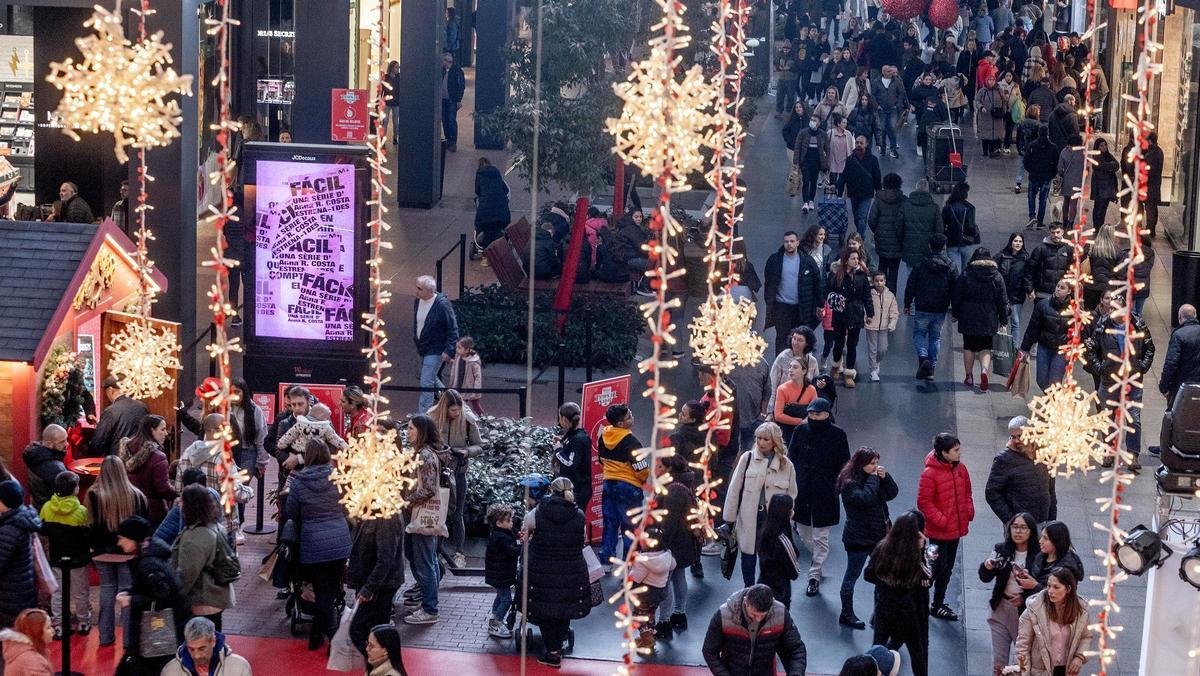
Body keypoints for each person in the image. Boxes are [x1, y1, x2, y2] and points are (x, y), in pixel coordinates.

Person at [525, 477, 592, 668]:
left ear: (551, 491)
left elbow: (526, 532)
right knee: (564, 608)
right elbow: (583, 540)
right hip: (571, 570)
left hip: (542, 570)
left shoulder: (536, 513)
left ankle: (553, 652)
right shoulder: (579, 515)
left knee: (545, 610)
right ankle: (557, 646)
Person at [1086, 290, 1155, 470]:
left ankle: (1132, 455)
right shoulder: (1101, 326)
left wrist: (1142, 367)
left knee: (1133, 418)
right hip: (1109, 380)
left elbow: (1149, 348)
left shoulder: (1138, 324)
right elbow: (1091, 349)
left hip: (1132, 379)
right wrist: (1100, 367)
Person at [724, 422, 798, 588]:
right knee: (748, 555)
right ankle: (748, 588)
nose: (761, 442)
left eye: (766, 439)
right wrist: (729, 518)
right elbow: (735, 488)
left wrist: (788, 514)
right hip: (749, 515)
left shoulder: (786, 465)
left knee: (769, 557)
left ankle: (764, 590)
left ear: (775, 441)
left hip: (772, 519)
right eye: (758, 438)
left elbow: (791, 493)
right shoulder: (747, 458)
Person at [788, 398, 850, 596]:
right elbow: (791, 457)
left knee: (821, 536)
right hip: (803, 489)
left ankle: (814, 575)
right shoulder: (800, 431)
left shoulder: (838, 435)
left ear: (826, 414)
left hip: (825, 490)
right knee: (804, 531)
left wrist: (838, 485)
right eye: (811, 414)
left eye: (817, 414)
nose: (814, 417)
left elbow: (845, 463)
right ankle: (818, 561)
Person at [115, 515, 188, 675]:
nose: (119, 543)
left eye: (122, 538)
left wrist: (131, 599)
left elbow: (163, 596)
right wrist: (130, 592)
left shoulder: (148, 564)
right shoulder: (150, 556)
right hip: (159, 631)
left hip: (155, 633)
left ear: (133, 539)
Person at [88, 456, 148, 645]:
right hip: (127, 553)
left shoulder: (93, 495)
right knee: (126, 594)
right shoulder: (137, 495)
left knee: (106, 592)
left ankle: (105, 637)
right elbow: (143, 525)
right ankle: (128, 641)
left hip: (102, 551)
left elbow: (90, 525)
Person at [864, 511, 932, 676]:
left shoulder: (882, 547)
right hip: (906, 610)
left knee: (877, 649)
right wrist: (922, 552)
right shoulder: (913, 555)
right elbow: (927, 578)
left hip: (884, 606)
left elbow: (868, 574)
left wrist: (883, 583)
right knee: (917, 651)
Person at [837, 447, 898, 629]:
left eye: (876, 463)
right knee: (852, 575)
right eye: (872, 463)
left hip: (878, 535)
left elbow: (892, 494)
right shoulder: (849, 483)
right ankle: (846, 613)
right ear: (861, 464)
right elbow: (865, 499)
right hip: (858, 537)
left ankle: (880, 613)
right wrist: (874, 479)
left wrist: (886, 478)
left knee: (882, 576)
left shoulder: (875, 479)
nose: (875, 466)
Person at [917, 433, 975, 621]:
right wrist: (942, 520)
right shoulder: (930, 474)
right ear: (944, 452)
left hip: (954, 530)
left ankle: (937, 604)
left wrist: (968, 510)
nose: (960, 453)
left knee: (947, 568)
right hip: (937, 533)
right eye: (956, 450)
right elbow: (924, 502)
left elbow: (967, 492)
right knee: (934, 567)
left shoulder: (961, 469)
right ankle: (917, 599)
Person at [701, 584, 808, 676]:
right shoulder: (723, 615)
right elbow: (709, 651)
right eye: (753, 615)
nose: (758, 619)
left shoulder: (781, 614)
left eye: (763, 615)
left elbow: (795, 648)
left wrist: (795, 673)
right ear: (745, 602)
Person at [980, 513, 1040, 676]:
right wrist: (987, 567)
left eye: (1023, 527)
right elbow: (984, 577)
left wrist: (1025, 597)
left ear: (1031, 531)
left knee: (1020, 663)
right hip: (1000, 609)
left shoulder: (1038, 556)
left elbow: (1042, 586)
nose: (1018, 531)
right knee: (999, 663)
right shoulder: (1001, 549)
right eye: (1014, 526)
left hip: (1024, 614)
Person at [427, 389, 481, 568]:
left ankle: (459, 553)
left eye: (459, 409)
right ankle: (438, 551)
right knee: (438, 512)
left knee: (457, 514)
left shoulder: (467, 419)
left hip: (458, 472)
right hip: (437, 472)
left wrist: (466, 452)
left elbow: (478, 446)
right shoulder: (432, 417)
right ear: (444, 408)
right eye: (453, 410)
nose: (456, 413)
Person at [402, 415, 446, 625]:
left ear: (421, 431)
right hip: (421, 514)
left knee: (424, 561)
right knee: (424, 559)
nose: (407, 432)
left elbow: (428, 489)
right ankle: (429, 602)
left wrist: (406, 501)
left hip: (421, 514)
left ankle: (430, 608)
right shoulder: (423, 453)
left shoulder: (425, 456)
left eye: (411, 429)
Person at [172, 485, 234, 632]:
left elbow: (187, 574)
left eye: (182, 501)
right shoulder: (216, 527)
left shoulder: (194, 537)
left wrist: (173, 595)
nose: (179, 504)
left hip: (202, 601)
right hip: (218, 597)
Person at [39, 471, 92, 640]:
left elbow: (44, 530)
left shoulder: (47, 507)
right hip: (78, 558)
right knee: (80, 592)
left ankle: (59, 626)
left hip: (56, 557)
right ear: (75, 489)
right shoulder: (82, 512)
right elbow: (87, 534)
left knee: (58, 593)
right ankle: (83, 622)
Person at [346, 504, 404, 657]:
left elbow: (385, 559)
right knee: (374, 632)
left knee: (359, 629)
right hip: (373, 581)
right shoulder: (371, 509)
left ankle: (377, 664)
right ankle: (378, 665)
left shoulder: (386, 516)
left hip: (379, 585)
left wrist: (369, 588)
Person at [952, 247, 1009, 391]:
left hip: (968, 315)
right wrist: (1003, 319)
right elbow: (1002, 300)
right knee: (986, 347)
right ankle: (984, 371)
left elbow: (957, 296)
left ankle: (969, 376)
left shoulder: (966, 274)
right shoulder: (996, 276)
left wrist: (956, 313)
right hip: (989, 317)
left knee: (969, 346)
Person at [1015, 568, 1091, 676]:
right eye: (1048, 585)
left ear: (1068, 589)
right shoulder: (1033, 611)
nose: (1050, 591)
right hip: (1039, 672)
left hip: (1066, 671)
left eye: (1056, 587)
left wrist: (1079, 657)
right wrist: (1024, 673)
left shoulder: (1080, 611)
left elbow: (1086, 637)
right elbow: (1022, 647)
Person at [904, 234, 959, 381]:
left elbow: (911, 285)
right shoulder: (951, 266)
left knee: (919, 334)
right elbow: (956, 289)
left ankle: (923, 358)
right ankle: (932, 369)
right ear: (944, 247)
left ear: (930, 246)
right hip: (940, 307)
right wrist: (956, 310)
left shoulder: (921, 264)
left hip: (922, 306)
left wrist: (907, 303)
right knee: (935, 338)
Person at [596, 404, 646, 563]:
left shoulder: (603, 437)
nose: (632, 417)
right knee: (630, 527)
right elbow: (641, 468)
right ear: (621, 424)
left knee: (610, 524)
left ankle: (606, 560)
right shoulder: (631, 441)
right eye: (629, 416)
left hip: (608, 485)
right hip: (628, 488)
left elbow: (600, 460)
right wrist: (644, 478)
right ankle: (630, 561)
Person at [655, 452, 698, 637]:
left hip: (672, 545)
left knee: (664, 582)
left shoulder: (672, 491)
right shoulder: (685, 485)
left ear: (670, 469)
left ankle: (664, 623)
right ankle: (679, 615)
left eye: (661, 467)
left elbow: (669, 522)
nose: (657, 470)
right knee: (679, 577)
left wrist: (660, 542)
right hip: (685, 542)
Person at [985, 416, 1057, 525]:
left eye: (1020, 436)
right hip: (1020, 526)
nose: (1017, 441)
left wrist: (1052, 520)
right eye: (1013, 437)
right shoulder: (1004, 459)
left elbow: (1050, 489)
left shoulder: (1044, 454)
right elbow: (992, 492)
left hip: (1044, 522)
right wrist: (1011, 520)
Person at [764, 230, 825, 358]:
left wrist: (820, 304)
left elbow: (817, 283)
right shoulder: (774, 260)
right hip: (782, 307)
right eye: (786, 242)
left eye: (792, 241)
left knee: (800, 339)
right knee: (782, 338)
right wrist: (770, 302)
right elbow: (769, 283)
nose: (789, 244)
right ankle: (781, 367)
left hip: (801, 307)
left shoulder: (807, 261)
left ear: (797, 242)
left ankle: (799, 367)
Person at [118, 415, 176, 526]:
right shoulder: (158, 457)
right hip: (151, 511)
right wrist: (177, 493)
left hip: (127, 507)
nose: (166, 433)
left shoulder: (126, 448)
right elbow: (163, 489)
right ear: (152, 430)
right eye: (162, 429)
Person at [826, 248, 873, 387]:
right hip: (840, 314)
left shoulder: (861, 276)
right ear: (846, 260)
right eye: (853, 258)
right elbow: (827, 291)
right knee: (839, 344)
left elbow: (867, 296)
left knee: (852, 345)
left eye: (857, 258)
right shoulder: (836, 276)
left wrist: (870, 313)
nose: (856, 261)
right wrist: (832, 299)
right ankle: (835, 365)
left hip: (856, 314)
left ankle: (848, 374)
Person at [413, 274, 459, 412]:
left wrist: (448, 350)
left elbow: (453, 328)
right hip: (423, 347)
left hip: (436, 349)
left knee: (426, 382)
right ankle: (452, 400)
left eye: (419, 289)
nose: (416, 291)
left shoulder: (442, 305)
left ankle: (424, 415)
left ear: (429, 291)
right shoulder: (418, 301)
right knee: (430, 377)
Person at [0, 481, 41, 629]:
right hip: (23, 588)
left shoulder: (9, 529)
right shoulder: (22, 519)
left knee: (11, 639)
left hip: (9, 595)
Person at [1021, 278, 1072, 392]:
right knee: (1041, 380)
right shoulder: (1043, 305)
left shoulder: (1073, 309)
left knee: (1055, 381)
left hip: (1062, 350)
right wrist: (1025, 348)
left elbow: (1079, 331)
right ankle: (1052, 401)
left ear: (1069, 291)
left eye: (1062, 288)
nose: (1058, 289)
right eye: (1058, 286)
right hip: (1045, 347)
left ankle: (1052, 405)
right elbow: (1033, 328)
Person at [630, 528, 676, 651]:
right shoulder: (667, 555)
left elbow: (637, 578)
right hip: (660, 592)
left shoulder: (642, 560)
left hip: (644, 593)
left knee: (638, 616)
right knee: (650, 615)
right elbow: (673, 565)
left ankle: (647, 640)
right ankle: (650, 636)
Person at [160, 616, 252, 676]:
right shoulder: (170, 671)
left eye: (201, 648)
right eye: (191, 649)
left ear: (213, 641)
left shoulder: (240, 667)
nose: (196, 656)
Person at [755, 494, 800, 609]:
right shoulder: (782, 538)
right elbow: (794, 571)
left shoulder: (765, 531)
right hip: (780, 588)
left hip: (763, 582)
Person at [483, 503, 519, 639]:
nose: (512, 523)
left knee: (500, 596)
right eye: (509, 521)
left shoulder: (500, 534)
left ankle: (494, 616)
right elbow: (512, 551)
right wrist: (523, 548)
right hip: (501, 574)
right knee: (506, 600)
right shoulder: (502, 538)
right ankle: (496, 622)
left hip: (498, 574)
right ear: (499, 523)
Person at [89, 374, 149, 456]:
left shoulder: (111, 411)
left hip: (118, 460)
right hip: (140, 457)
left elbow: (99, 441)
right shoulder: (142, 406)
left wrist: (90, 456)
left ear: (111, 390)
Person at [836, 135, 882, 236]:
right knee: (857, 217)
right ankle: (860, 234)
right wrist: (839, 187)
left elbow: (877, 176)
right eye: (857, 142)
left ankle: (860, 238)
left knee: (862, 216)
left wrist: (879, 192)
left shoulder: (873, 160)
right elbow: (845, 174)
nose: (858, 145)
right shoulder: (850, 159)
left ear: (866, 144)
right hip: (853, 193)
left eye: (861, 143)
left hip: (866, 194)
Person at [552, 402, 593, 512]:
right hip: (576, 487)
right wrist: (562, 442)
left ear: (564, 419)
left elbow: (570, 464)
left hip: (577, 489)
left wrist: (558, 450)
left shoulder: (578, 439)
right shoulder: (575, 435)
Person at [21, 424, 68, 512]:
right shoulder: (54, 468)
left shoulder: (35, 456)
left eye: (66, 439)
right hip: (52, 514)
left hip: (38, 507)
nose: (66, 444)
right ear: (49, 444)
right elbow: (65, 497)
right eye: (62, 441)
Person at [994, 234, 1034, 337]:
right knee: (1001, 321)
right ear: (1011, 242)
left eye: (1020, 241)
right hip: (1002, 294)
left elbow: (1028, 275)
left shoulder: (1025, 258)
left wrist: (1029, 290)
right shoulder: (1001, 256)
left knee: (1015, 322)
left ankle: (1014, 348)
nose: (1018, 243)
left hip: (1017, 295)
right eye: (1015, 241)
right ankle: (999, 347)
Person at [1160, 304, 1200, 408]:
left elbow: (1171, 363)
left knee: (1179, 419)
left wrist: (1164, 387)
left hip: (1183, 387)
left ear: (1180, 317)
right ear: (1195, 316)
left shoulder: (1179, 335)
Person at [1029, 521, 1085, 594]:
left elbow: (1061, 595)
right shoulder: (1041, 556)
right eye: (1041, 536)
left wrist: (1035, 586)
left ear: (1057, 541)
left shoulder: (1067, 567)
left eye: (1045, 538)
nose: (1040, 541)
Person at [899, 179, 941, 275]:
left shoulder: (906, 205)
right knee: (926, 277)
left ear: (916, 189)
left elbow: (899, 227)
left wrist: (902, 241)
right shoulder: (934, 207)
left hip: (909, 246)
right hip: (928, 249)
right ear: (927, 190)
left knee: (910, 276)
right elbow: (939, 229)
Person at [772, 358, 818, 440]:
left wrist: (806, 421)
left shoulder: (811, 390)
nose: (790, 370)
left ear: (804, 371)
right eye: (790, 367)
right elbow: (778, 416)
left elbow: (816, 410)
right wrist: (800, 422)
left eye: (795, 367)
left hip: (805, 432)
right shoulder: (782, 389)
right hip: (786, 432)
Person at [1023, 126, 1059, 228]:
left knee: (1031, 196)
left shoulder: (1032, 146)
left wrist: (1031, 170)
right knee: (1043, 199)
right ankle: (1040, 221)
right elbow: (1056, 163)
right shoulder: (1053, 147)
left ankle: (1032, 216)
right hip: (1046, 177)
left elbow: (1026, 161)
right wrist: (1052, 174)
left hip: (1034, 175)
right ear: (1048, 133)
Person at [792, 114, 830, 212]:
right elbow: (797, 147)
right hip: (805, 160)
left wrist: (826, 163)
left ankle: (811, 200)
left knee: (814, 181)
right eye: (811, 120)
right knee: (806, 180)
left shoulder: (823, 134)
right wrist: (796, 161)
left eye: (815, 120)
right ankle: (805, 202)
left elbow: (827, 149)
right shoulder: (803, 133)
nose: (812, 122)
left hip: (817, 161)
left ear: (819, 123)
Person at [0, 608, 53, 675]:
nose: (53, 631)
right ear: (37, 632)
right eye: (48, 627)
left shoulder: (17, 647)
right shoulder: (33, 661)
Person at [942, 182, 980, 273]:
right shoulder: (970, 207)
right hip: (966, 242)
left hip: (951, 242)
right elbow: (971, 226)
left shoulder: (948, 207)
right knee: (966, 270)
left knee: (955, 271)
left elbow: (942, 225)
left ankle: (956, 286)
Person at [871, 65, 907, 158]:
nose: (891, 73)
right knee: (882, 129)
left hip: (892, 108)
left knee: (892, 128)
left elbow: (901, 93)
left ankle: (893, 148)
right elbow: (873, 95)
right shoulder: (876, 82)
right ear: (883, 71)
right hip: (881, 109)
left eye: (891, 71)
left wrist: (898, 105)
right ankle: (882, 149)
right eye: (888, 71)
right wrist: (877, 106)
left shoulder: (897, 81)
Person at [1026, 223, 1072, 296]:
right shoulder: (1040, 249)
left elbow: (1072, 270)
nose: (1055, 235)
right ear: (1049, 232)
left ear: (1062, 232)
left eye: (1058, 232)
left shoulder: (1068, 249)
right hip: (1042, 293)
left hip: (1061, 294)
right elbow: (1030, 270)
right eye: (1053, 232)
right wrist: (1030, 289)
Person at [447, 336, 484, 414]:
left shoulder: (474, 362)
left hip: (470, 388)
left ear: (467, 350)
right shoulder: (458, 357)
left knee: (476, 405)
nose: (456, 349)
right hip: (458, 386)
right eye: (456, 347)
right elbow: (456, 369)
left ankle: (484, 421)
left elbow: (478, 377)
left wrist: (476, 390)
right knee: (459, 404)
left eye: (459, 348)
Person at [1013, 102, 1043, 194]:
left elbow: (1018, 138)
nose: (1039, 114)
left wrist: (1019, 148)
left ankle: (1018, 184)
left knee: (1021, 167)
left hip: (1023, 149)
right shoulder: (1038, 125)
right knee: (1035, 167)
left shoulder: (1022, 123)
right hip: (1034, 150)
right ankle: (1034, 184)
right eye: (1038, 112)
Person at [1090, 138, 1119, 229]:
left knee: (1103, 208)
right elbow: (1103, 166)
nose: (1104, 147)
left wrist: (1109, 166)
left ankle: (1100, 226)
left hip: (1107, 188)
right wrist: (1110, 166)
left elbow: (1117, 165)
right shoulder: (1096, 156)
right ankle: (1097, 227)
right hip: (1100, 187)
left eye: (1105, 145)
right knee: (1099, 208)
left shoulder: (1108, 155)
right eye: (1101, 145)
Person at [1056, 134, 1085, 227]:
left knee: (1066, 202)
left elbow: (1060, 168)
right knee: (1074, 204)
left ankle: (1064, 220)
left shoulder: (1064, 152)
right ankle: (1071, 222)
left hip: (1067, 181)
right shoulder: (1083, 153)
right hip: (1078, 182)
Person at [440, 52, 465, 151]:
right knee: (444, 120)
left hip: (452, 99)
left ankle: (453, 142)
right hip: (442, 99)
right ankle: (447, 140)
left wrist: (458, 99)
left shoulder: (457, 71)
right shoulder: (441, 71)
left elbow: (461, 86)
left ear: (447, 61)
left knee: (451, 120)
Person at [775, 43, 800, 117]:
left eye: (787, 49)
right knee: (779, 95)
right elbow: (776, 63)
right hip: (781, 78)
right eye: (784, 48)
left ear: (790, 49)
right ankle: (779, 111)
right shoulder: (780, 54)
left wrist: (790, 68)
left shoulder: (795, 56)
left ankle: (789, 111)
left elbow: (798, 68)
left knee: (791, 96)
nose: (785, 50)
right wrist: (779, 67)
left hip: (791, 79)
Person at [383, 61, 401, 144]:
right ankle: (383, 137)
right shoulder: (386, 77)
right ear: (391, 67)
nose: (398, 69)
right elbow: (382, 90)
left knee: (395, 121)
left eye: (398, 67)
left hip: (396, 101)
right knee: (385, 120)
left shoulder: (399, 77)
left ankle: (395, 137)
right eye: (396, 67)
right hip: (387, 101)